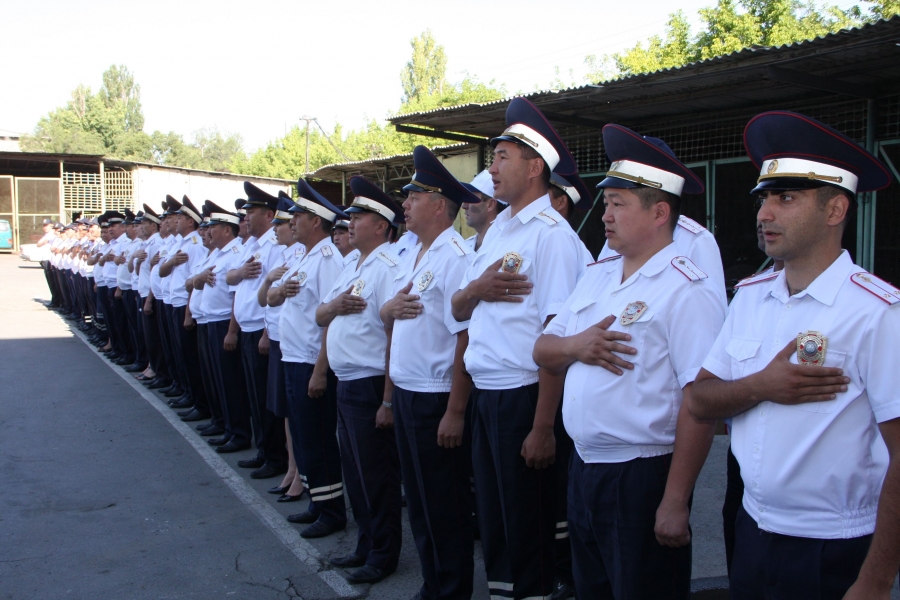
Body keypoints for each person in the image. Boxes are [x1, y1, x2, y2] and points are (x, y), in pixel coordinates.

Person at [690, 111, 900, 600]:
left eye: (786, 198)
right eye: (765, 198)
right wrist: (760, 386)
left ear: (834, 211)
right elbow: (700, 400)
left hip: (835, 547)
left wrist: (875, 579)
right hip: (751, 531)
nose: (765, 213)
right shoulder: (751, 296)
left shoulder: (876, 313)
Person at [533, 123, 726, 599]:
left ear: (660, 212)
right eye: (607, 203)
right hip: (585, 466)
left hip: (642, 474)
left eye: (619, 204)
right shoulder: (598, 276)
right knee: (593, 588)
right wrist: (577, 346)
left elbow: (698, 404)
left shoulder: (686, 287)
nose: (606, 215)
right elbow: (542, 349)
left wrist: (676, 500)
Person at [450, 97, 585, 600]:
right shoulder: (497, 230)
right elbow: (459, 308)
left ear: (534, 169)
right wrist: (476, 289)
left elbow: (555, 335)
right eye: (493, 157)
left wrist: (544, 426)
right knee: (497, 516)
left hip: (524, 395)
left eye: (502, 157)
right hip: (488, 392)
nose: (492, 167)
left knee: (528, 521)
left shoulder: (552, 237)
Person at [380, 145, 478, 600]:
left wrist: (455, 410)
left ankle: (452, 589)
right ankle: (432, 584)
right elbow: (394, 315)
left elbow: (465, 336)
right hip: (407, 390)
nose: (405, 203)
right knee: (419, 501)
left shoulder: (456, 256)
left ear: (439, 205)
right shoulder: (414, 254)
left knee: (445, 503)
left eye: (413, 196)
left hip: (436, 396)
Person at [316, 175, 404, 584]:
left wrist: (387, 399)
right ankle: (366, 544)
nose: (350, 222)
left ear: (382, 226)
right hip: (346, 381)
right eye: (350, 216)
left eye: (360, 216)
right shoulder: (352, 263)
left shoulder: (388, 267)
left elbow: (393, 335)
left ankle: (383, 554)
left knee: (377, 475)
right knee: (355, 472)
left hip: (370, 383)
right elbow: (320, 315)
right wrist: (333, 306)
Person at [267, 178, 348, 538]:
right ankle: (318, 501)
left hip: (311, 363)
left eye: (299, 215)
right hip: (292, 358)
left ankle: (332, 511)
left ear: (316, 221)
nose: (292, 220)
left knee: (318, 439)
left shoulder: (328, 259)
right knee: (303, 437)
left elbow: (331, 317)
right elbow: (275, 299)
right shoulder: (304, 257)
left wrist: (320, 370)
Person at [225, 183, 288, 477]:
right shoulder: (248, 245)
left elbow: (274, 293)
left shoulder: (274, 246)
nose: (246, 217)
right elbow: (230, 278)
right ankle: (264, 450)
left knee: (267, 400)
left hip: (261, 330)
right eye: (246, 212)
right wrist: (238, 273)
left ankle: (276, 457)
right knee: (254, 394)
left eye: (252, 211)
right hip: (246, 325)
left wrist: (265, 332)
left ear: (269, 214)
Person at [255, 193, 306, 502]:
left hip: (296, 345)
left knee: (296, 413)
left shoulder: (306, 254)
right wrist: (270, 282)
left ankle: (298, 473)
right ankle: (291, 467)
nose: (278, 229)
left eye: (283, 223)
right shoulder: (290, 256)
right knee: (285, 411)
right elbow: (267, 299)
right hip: (281, 339)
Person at [158, 196, 208, 416]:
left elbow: (193, 283)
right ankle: (187, 391)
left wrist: (188, 313)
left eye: (179, 217)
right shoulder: (179, 243)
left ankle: (197, 400)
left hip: (183, 305)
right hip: (173, 301)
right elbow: (162, 271)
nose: (174, 221)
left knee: (190, 357)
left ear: (190, 221)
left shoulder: (195, 244)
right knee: (180, 353)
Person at [461, 170, 507, 252]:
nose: (464, 206)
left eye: (471, 199)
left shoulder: (505, 247)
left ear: (490, 205)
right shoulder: (465, 245)